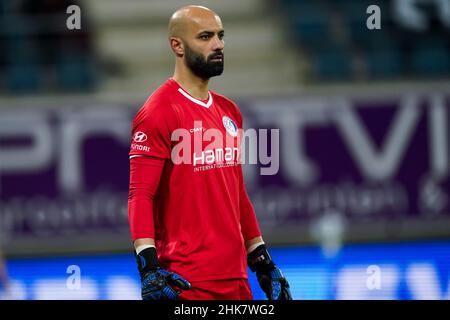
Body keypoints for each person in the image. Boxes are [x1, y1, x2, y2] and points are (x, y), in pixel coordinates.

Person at [127, 5, 292, 300]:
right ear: (177, 45)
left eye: (220, 35)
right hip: (187, 283)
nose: (218, 45)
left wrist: (261, 259)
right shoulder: (158, 112)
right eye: (205, 37)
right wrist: (147, 267)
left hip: (237, 279)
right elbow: (140, 195)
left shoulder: (230, 112)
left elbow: (237, 193)